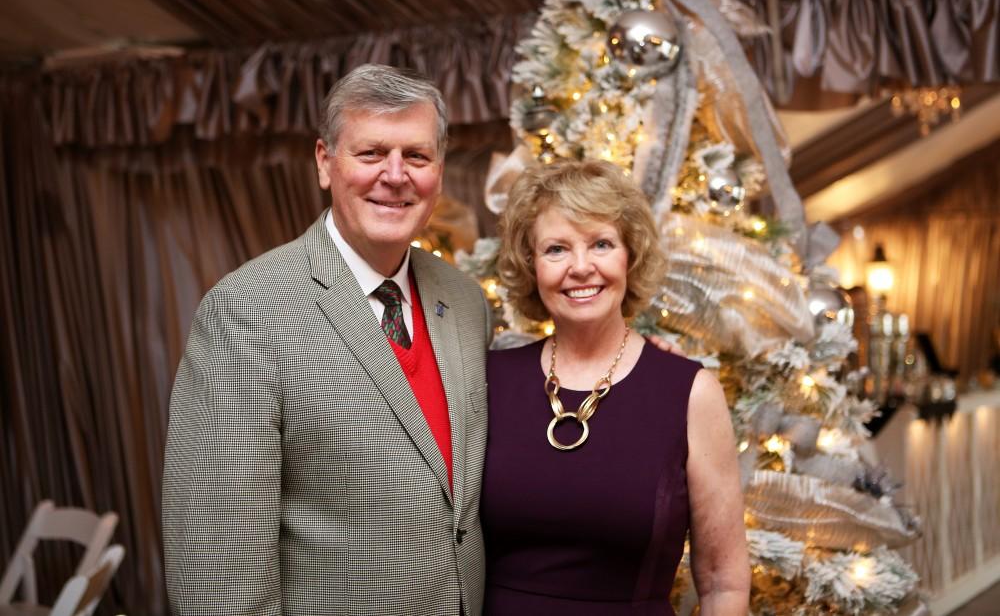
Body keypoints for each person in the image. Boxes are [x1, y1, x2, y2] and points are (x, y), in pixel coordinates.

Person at [162, 64, 492, 615]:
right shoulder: (247, 310)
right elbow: (217, 565)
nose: (395, 175)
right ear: (324, 162)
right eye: (370, 154)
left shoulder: (463, 301)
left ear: (439, 170)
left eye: (416, 155)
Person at [482, 159, 750, 615]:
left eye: (601, 244)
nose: (580, 268)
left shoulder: (689, 393)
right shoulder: (488, 379)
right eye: (556, 250)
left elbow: (723, 582)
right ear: (531, 266)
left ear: (631, 255)